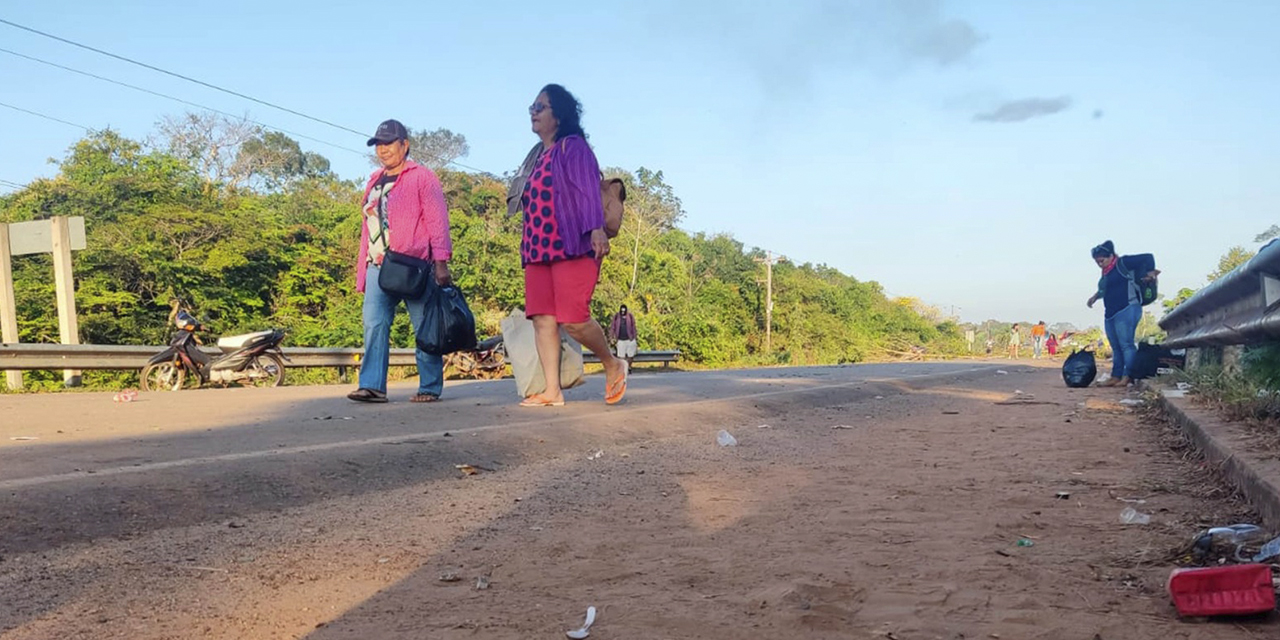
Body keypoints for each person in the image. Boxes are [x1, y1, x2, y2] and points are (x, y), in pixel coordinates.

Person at [513, 84, 627, 407]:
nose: (534, 112)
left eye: (541, 107)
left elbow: (587, 189)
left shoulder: (573, 147)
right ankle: (552, 390)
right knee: (543, 319)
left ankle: (611, 363)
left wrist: (595, 229)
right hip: (537, 248)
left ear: (559, 115)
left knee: (574, 317)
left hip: (571, 244)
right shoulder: (536, 157)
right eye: (532, 107)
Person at [347, 119, 453, 404]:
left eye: (389, 143)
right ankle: (372, 386)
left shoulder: (422, 177)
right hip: (378, 265)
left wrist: (441, 261)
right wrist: (362, 272)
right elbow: (368, 228)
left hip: (412, 265)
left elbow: (437, 220)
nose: (383, 150)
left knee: (423, 326)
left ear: (404, 144)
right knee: (374, 323)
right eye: (378, 144)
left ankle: (430, 386)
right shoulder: (374, 180)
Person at [1087, 240, 1158, 388]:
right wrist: (1095, 297)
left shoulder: (1124, 263)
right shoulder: (1106, 272)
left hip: (1127, 308)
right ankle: (1115, 376)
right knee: (1116, 346)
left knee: (1126, 344)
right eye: (1097, 262)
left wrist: (1150, 273)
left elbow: (1148, 257)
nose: (1100, 264)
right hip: (1111, 312)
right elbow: (1106, 289)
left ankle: (1128, 376)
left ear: (1111, 256)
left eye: (1102, 260)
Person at [609, 304, 638, 372]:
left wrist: (635, 337)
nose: (623, 312)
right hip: (620, 339)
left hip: (630, 339)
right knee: (621, 356)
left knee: (630, 355)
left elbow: (633, 327)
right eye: (621, 311)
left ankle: (629, 367)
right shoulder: (616, 317)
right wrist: (612, 337)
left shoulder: (630, 316)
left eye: (624, 311)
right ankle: (623, 368)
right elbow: (613, 327)